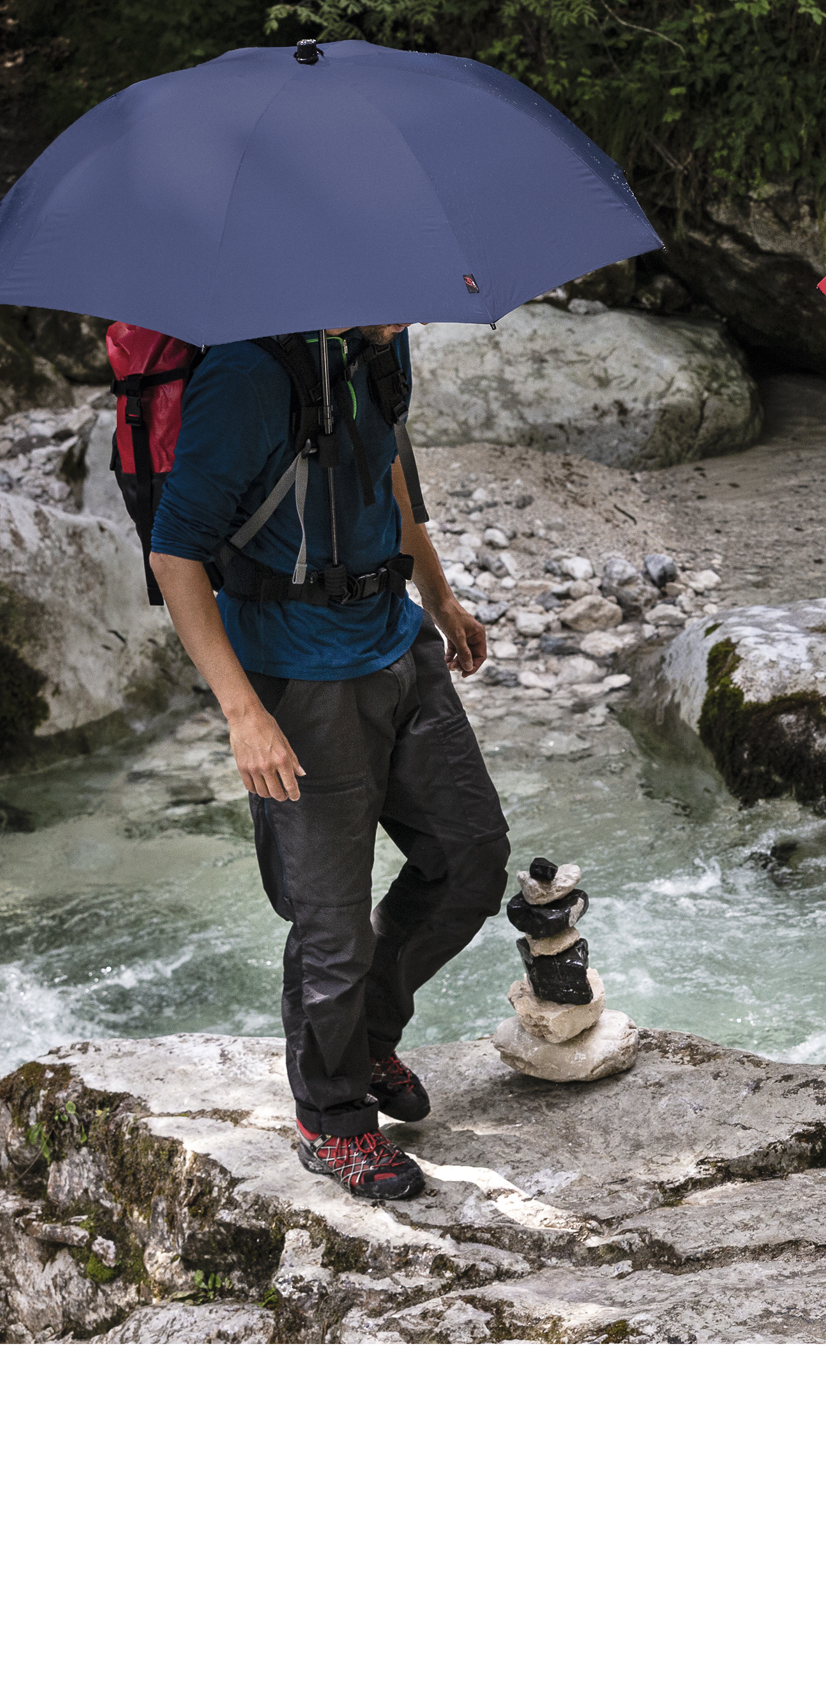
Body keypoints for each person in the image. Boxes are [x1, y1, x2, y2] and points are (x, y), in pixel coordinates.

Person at [149, 325, 509, 1203]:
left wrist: (440, 592)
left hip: (396, 642)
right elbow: (176, 554)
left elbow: (386, 466)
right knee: (331, 926)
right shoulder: (243, 375)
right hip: (297, 675)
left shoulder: (379, 347)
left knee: (469, 859)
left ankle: (367, 1037)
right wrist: (244, 713)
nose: (406, 311)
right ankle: (332, 1121)